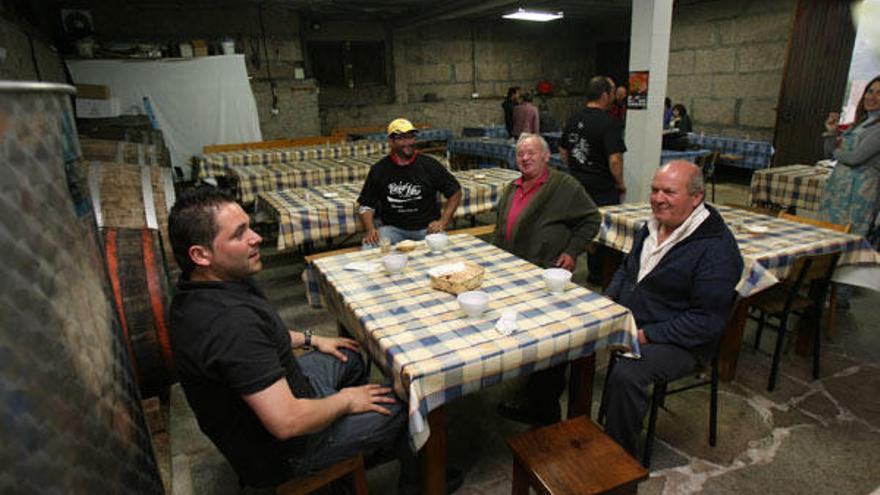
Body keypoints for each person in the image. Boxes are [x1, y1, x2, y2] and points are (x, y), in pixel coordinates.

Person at [167, 187, 420, 491]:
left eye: (250, 226)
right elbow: (287, 422)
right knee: (410, 403)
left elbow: (263, 342)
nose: (256, 238)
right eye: (239, 234)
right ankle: (419, 482)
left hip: (290, 390)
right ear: (201, 254)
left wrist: (311, 340)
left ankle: (364, 443)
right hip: (284, 450)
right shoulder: (229, 325)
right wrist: (345, 401)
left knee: (349, 353)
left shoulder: (203, 288)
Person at [602, 161, 743, 458]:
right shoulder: (651, 226)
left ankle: (617, 461)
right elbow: (627, 272)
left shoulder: (717, 249)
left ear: (696, 197)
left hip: (682, 340)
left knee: (628, 373)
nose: (657, 198)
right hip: (638, 321)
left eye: (669, 192)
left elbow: (706, 322)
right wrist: (606, 304)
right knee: (572, 332)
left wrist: (645, 335)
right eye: (655, 190)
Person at [494, 133, 601, 425]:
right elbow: (501, 226)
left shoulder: (564, 186)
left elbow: (592, 218)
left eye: (531, 153)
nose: (525, 158)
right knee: (522, 331)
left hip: (544, 272)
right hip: (512, 271)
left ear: (545, 156)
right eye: (520, 154)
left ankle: (545, 404)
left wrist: (572, 250)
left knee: (549, 335)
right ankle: (535, 387)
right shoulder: (512, 187)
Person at [819, 75, 880, 308]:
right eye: (870, 91)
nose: (872, 97)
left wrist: (838, 149)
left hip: (859, 196)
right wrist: (831, 132)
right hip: (839, 193)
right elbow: (829, 152)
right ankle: (823, 289)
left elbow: (854, 158)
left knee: (849, 244)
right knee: (828, 240)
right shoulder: (861, 124)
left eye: (878, 93)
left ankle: (839, 298)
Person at [560, 75, 627, 284]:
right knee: (604, 232)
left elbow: (563, 150)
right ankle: (599, 276)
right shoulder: (610, 123)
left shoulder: (573, 119)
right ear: (605, 95)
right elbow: (615, 159)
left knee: (581, 227)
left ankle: (575, 270)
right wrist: (620, 183)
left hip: (578, 184)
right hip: (602, 187)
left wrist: (574, 168)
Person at [358, 118, 462, 247]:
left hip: (427, 229)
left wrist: (443, 222)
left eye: (410, 137)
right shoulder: (379, 169)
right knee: (369, 246)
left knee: (445, 251)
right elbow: (365, 206)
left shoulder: (430, 165)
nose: (407, 142)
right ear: (391, 142)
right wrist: (370, 229)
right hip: (392, 230)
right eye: (401, 138)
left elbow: (455, 192)